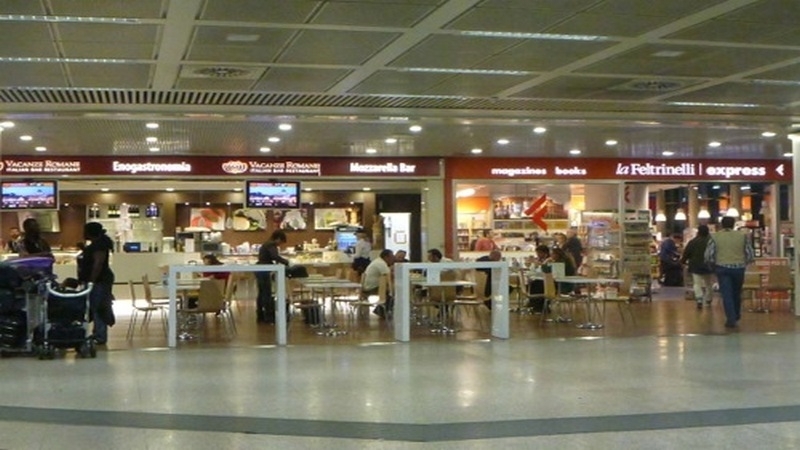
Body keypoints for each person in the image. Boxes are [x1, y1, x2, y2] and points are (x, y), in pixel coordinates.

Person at [705, 217, 755, 329]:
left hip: (722, 267)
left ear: (721, 225)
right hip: (739, 268)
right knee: (736, 293)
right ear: (733, 224)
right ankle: (736, 314)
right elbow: (750, 254)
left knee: (726, 294)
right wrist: (745, 262)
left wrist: (712, 265)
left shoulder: (715, 236)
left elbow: (709, 255)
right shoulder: (742, 236)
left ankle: (731, 318)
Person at [78, 222, 115, 346]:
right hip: (100, 279)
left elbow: (98, 263)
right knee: (96, 306)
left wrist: (91, 281)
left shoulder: (99, 246)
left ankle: (100, 335)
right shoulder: (97, 244)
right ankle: (97, 332)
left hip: (99, 280)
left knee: (99, 307)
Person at [256, 230, 290, 324]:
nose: (280, 244)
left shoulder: (267, 244)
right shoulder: (271, 245)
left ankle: (260, 315)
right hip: (264, 270)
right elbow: (275, 256)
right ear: (278, 239)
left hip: (260, 269)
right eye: (281, 242)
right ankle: (268, 317)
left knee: (261, 293)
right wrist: (287, 262)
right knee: (266, 293)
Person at [680, 225, 714, 309]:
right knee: (708, 283)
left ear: (698, 232)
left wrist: (682, 261)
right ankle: (708, 299)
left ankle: (699, 299)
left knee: (697, 283)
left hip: (695, 265)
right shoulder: (711, 242)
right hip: (708, 265)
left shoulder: (693, 242)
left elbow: (686, 253)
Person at [363, 249, 394, 318]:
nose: (393, 259)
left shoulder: (378, 261)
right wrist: (391, 290)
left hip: (368, 286)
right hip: (371, 287)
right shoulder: (381, 264)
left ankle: (380, 310)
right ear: (386, 257)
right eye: (391, 257)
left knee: (390, 290)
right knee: (392, 292)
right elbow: (387, 277)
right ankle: (382, 311)